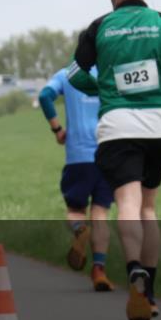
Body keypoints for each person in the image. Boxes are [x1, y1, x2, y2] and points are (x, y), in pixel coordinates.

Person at [68, 0, 161, 320]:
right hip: (160, 125)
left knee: (127, 200)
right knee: (149, 207)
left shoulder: (100, 27)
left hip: (118, 125)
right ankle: (150, 293)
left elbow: (75, 73)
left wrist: (102, 88)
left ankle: (134, 270)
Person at [39, 66, 114, 291]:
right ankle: (99, 270)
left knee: (75, 210)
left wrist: (57, 130)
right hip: (107, 154)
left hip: (78, 158)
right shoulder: (109, 72)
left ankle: (80, 229)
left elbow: (44, 96)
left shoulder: (66, 74)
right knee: (100, 214)